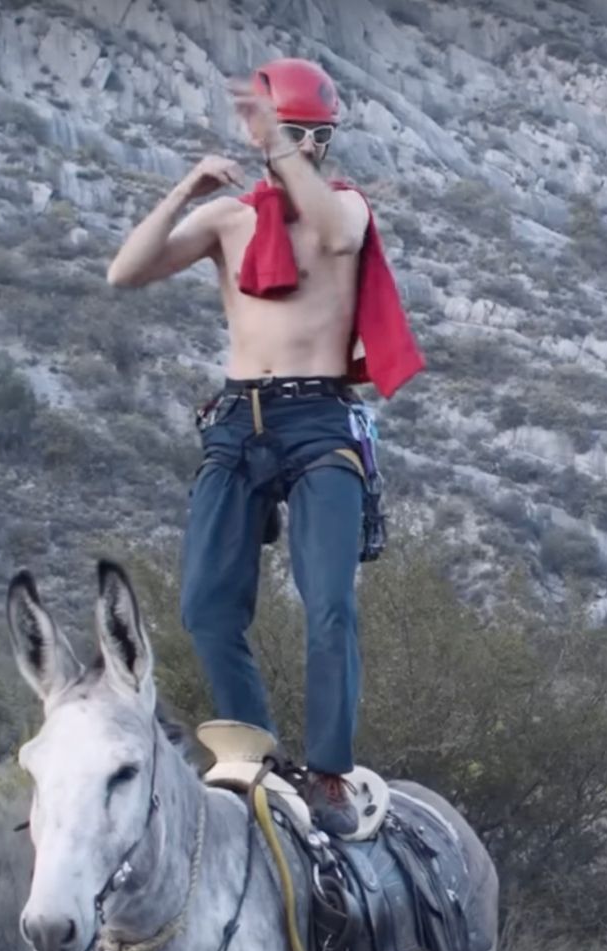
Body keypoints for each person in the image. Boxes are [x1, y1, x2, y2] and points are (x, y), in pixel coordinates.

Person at [106, 56, 423, 836]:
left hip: (318, 418)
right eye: (292, 135)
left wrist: (278, 145)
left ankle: (328, 773)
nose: (303, 148)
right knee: (206, 605)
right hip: (238, 418)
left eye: (313, 137)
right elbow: (125, 272)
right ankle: (252, 754)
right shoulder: (231, 221)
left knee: (330, 606)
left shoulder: (342, 210)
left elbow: (340, 235)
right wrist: (186, 190)